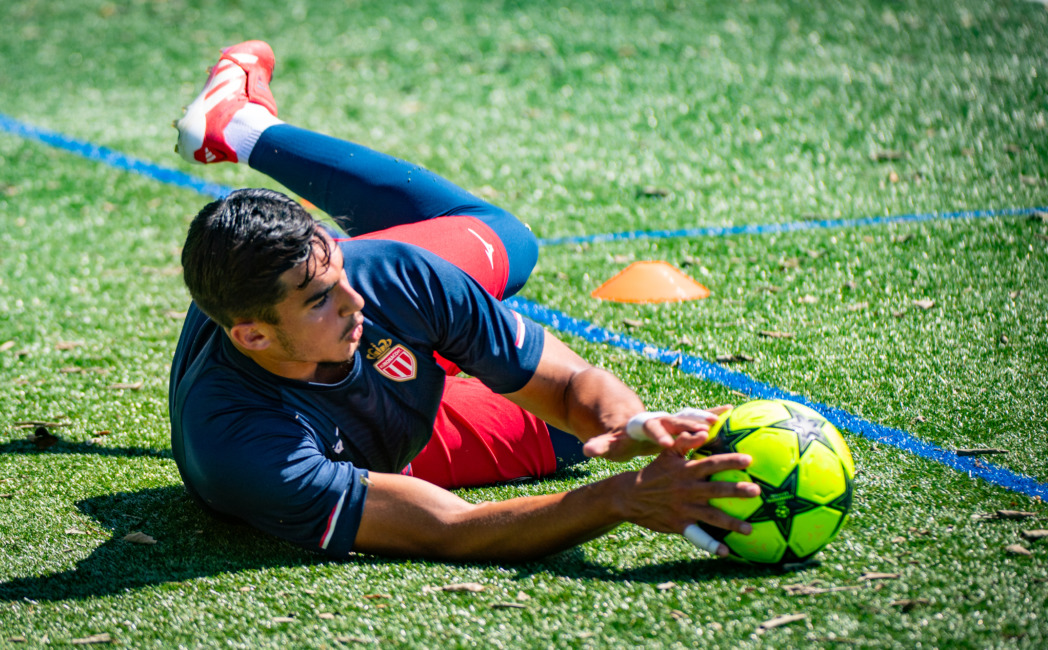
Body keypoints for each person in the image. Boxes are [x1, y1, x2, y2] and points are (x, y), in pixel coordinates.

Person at [168, 41, 759, 561]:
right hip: (358, 441)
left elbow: (567, 383)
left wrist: (627, 422)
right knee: (562, 446)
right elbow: (449, 529)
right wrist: (621, 498)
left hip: (364, 383)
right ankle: (237, 124)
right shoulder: (243, 446)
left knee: (508, 246)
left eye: (341, 271)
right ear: (252, 336)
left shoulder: (383, 279)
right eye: (323, 298)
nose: (355, 301)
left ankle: (241, 127)